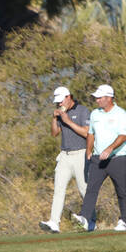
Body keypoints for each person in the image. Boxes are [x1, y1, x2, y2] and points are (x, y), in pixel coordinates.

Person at [80, 84, 126, 232]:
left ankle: (124, 221)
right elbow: (91, 133)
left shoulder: (121, 114)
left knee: (122, 191)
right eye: (96, 98)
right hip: (98, 159)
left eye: (100, 97)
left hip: (117, 158)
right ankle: (84, 218)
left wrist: (110, 149)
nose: (97, 100)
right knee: (91, 189)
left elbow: (123, 135)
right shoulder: (95, 114)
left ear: (109, 98)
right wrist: (89, 150)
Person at [39, 86, 90, 233]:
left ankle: (90, 220)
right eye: (57, 102)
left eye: (60, 101)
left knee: (84, 190)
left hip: (81, 154)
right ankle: (54, 222)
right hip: (64, 156)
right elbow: (54, 133)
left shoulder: (82, 110)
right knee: (59, 190)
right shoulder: (61, 112)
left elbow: (86, 133)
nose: (59, 104)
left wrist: (67, 121)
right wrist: (55, 118)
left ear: (68, 97)